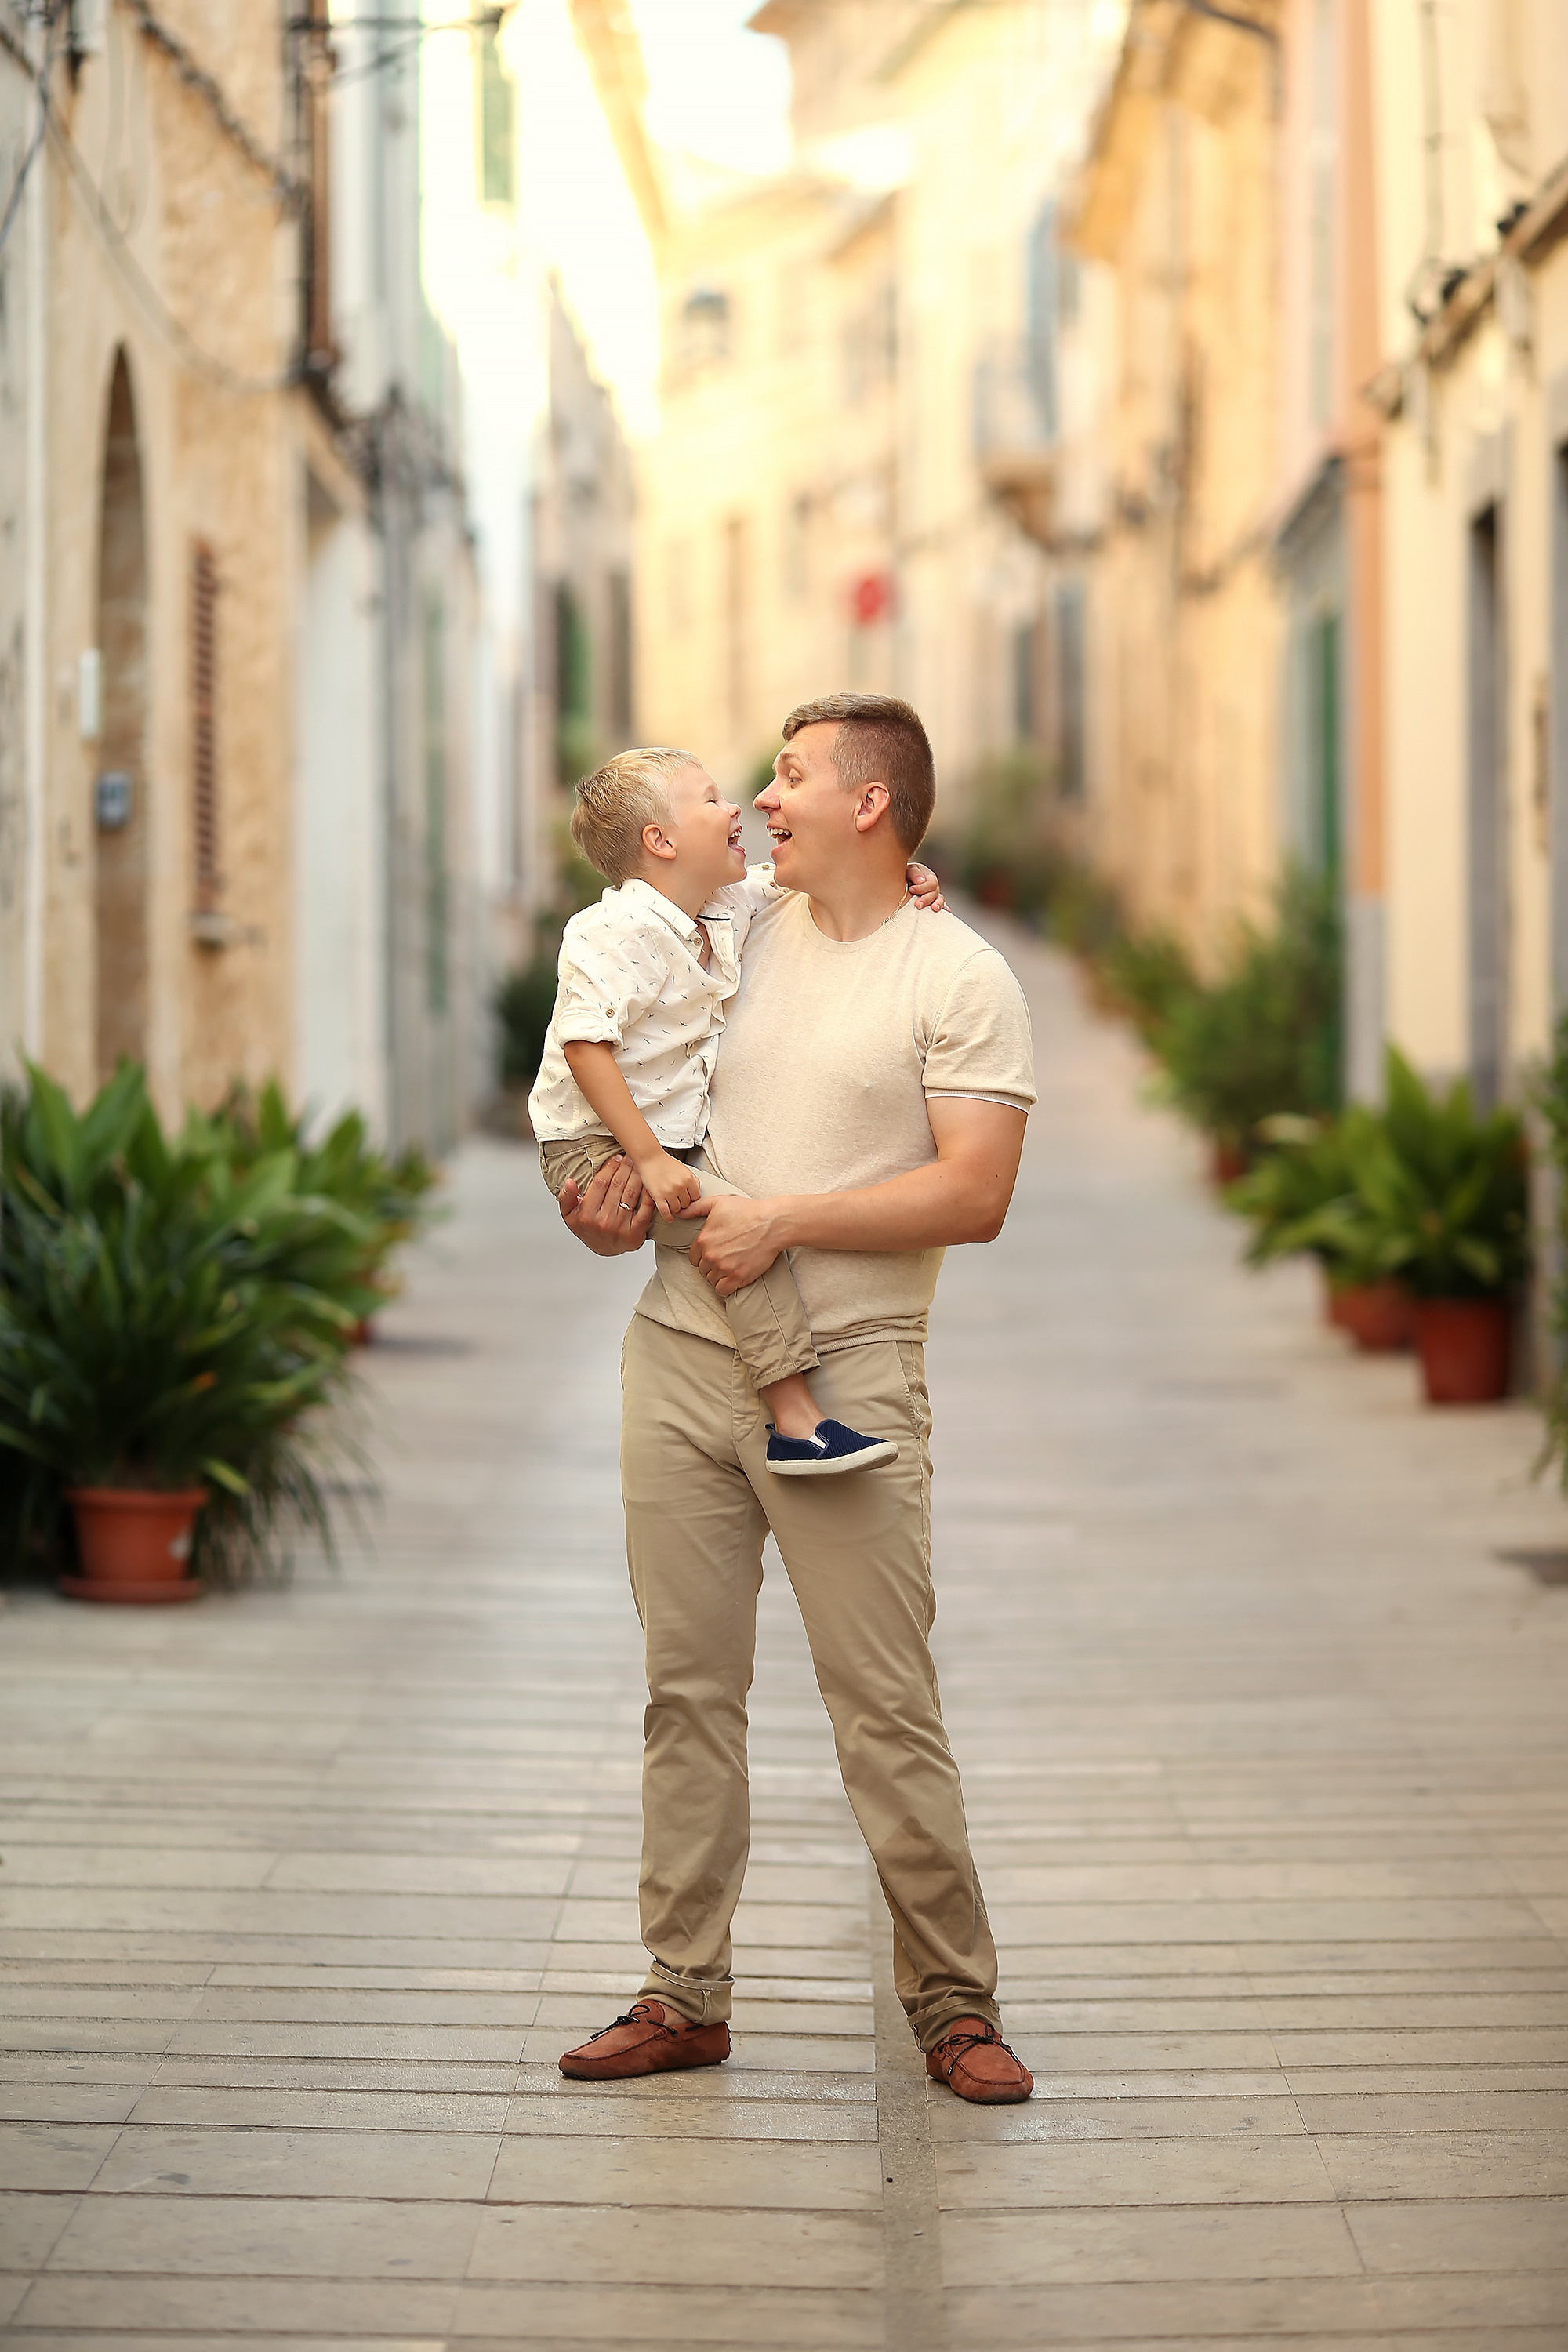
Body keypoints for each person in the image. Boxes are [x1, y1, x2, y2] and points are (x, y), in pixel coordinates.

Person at [554, 693, 1037, 2105]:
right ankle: (681, 1994)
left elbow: (977, 1193)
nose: (765, 800)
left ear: (871, 804)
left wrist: (785, 1224)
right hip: (680, 1353)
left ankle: (955, 2004)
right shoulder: (734, 927)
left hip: (854, 1372)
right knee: (685, 1693)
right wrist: (595, 1189)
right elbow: (612, 1005)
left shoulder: (960, 975)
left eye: (792, 775)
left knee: (884, 1704)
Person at [529, 744, 948, 1475]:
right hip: (594, 1140)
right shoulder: (610, 934)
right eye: (712, 799)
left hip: (660, 1141)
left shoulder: (722, 905)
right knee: (733, 1225)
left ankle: (787, 1410)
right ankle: (796, 1415)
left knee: (726, 1225)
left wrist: (904, 875)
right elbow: (585, 1046)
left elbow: (804, 881)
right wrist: (651, 1161)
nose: (738, 809)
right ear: (660, 842)